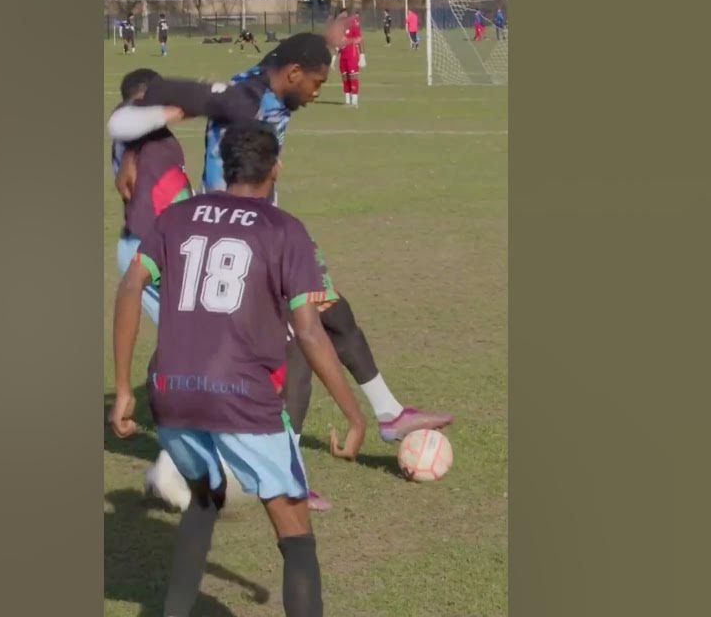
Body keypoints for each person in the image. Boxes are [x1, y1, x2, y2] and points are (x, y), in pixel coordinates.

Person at [108, 32, 454, 468]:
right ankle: (278, 468)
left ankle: (388, 414)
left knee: (336, 313)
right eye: (316, 83)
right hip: (244, 239)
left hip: (271, 223)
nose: (315, 94)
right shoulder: (237, 99)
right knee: (295, 344)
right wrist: (141, 136)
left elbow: (282, 53)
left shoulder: (273, 75)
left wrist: (324, 37)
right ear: (293, 74)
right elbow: (133, 109)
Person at [109, 120, 367, 617]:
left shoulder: (176, 218)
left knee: (204, 501)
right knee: (295, 534)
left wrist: (123, 388)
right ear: (276, 168)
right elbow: (310, 332)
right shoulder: (284, 229)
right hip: (241, 395)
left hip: (170, 391)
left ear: (224, 167)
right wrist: (355, 418)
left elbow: (129, 286)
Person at [109, 68, 192, 324]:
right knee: (184, 333)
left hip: (145, 242)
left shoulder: (142, 135)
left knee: (180, 333)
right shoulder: (135, 126)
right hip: (150, 244)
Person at [338, 12, 363, 107]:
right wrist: (334, 56)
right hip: (343, 56)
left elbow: (360, 39)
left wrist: (362, 55)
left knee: (353, 77)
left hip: (352, 55)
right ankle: (347, 100)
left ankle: (354, 101)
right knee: (345, 78)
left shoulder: (353, 26)